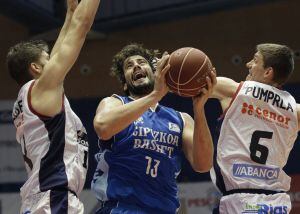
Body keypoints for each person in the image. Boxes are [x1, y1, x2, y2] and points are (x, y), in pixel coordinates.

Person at [91, 43, 216, 214]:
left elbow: (203, 164)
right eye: (129, 65)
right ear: (126, 84)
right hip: (122, 208)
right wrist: (155, 95)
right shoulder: (115, 103)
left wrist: (199, 109)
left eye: (141, 62)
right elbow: (103, 127)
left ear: (155, 72)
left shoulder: (181, 119)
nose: (136, 66)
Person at [7, 0, 101, 213]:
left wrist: (69, 14)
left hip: (39, 199)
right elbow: (83, 26)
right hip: (54, 197)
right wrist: (76, 20)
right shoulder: (42, 89)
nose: (56, 62)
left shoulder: (29, 98)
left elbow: (62, 47)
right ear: (36, 68)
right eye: (48, 60)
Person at [210, 43, 299, 213]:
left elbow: (191, 83)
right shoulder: (294, 110)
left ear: (268, 72)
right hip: (276, 204)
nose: (248, 64)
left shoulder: (235, 91)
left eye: (255, 60)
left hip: (240, 202)